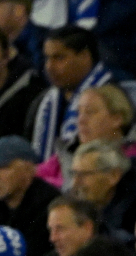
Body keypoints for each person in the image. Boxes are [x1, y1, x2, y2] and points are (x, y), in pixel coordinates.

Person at [29, 26, 114, 162]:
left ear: (85, 57)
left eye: (59, 58)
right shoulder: (44, 101)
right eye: (47, 58)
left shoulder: (109, 98)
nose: (49, 66)